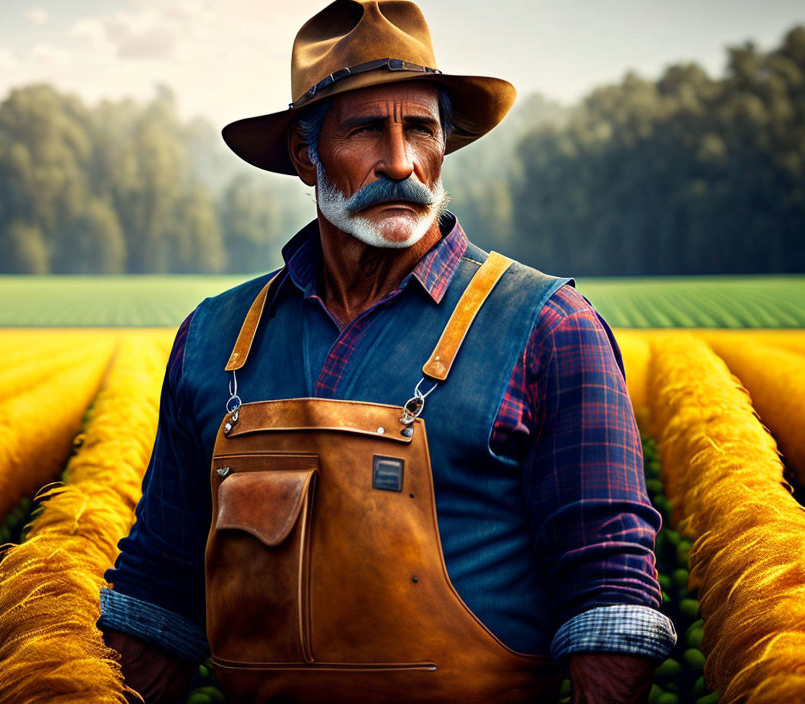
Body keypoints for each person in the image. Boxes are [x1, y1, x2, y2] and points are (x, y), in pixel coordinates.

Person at [97, 1, 677, 702]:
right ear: (305, 156)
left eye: (422, 130)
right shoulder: (212, 338)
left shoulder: (549, 327)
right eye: (368, 130)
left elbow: (609, 603)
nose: (401, 162)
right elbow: (159, 594)